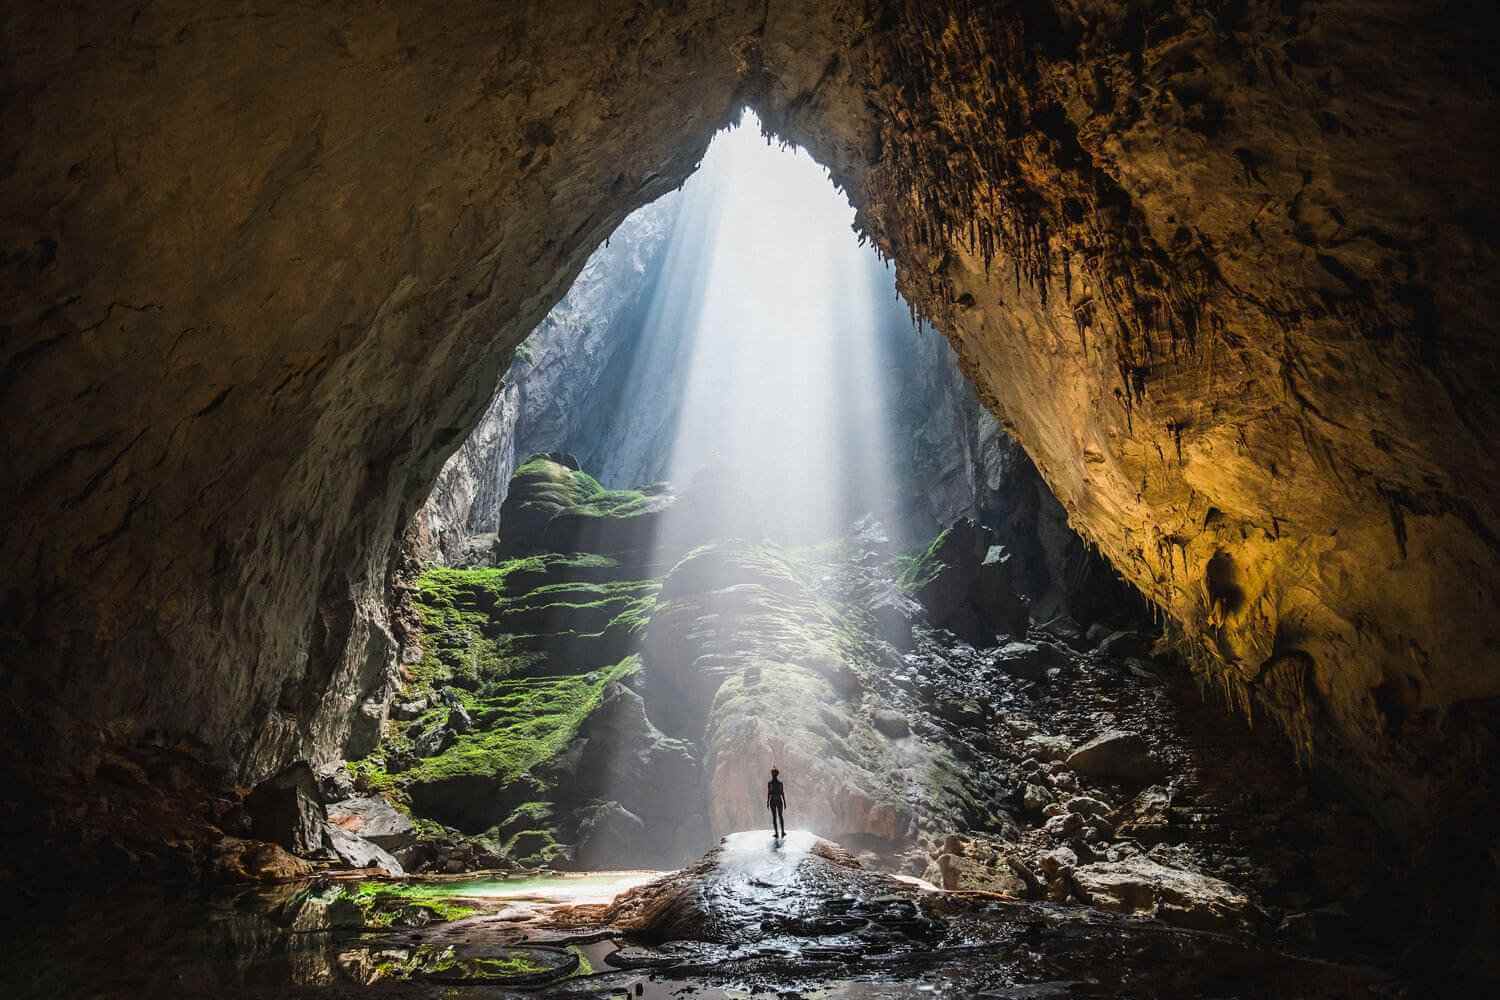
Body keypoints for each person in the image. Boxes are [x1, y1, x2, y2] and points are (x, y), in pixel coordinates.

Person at [767, 767, 787, 838]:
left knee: (775, 817)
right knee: (780, 816)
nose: (773, 774)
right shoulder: (780, 783)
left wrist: (768, 802)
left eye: (773, 773)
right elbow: (782, 793)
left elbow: (769, 793)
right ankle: (782, 832)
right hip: (778, 800)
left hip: (773, 801)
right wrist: (784, 802)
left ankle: (777, 833)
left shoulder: (770, 783)